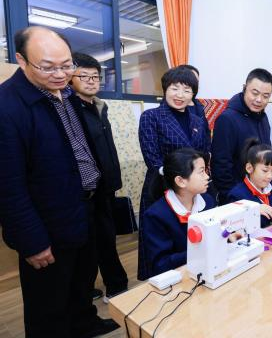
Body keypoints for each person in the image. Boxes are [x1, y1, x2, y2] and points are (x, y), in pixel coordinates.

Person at [0, 26, 118, 338]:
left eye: (66, 65)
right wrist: (31, 242)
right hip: (47, 221)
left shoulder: (66, 93)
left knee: (82, 280)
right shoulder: (8, 106)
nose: (60, 74)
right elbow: (7, 186)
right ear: (21, 60)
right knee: (48, 301)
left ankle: (83, 325)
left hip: (83, 206)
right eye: (48, 67)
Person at [138, 66, 206, 279]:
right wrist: (180, 181)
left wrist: (197, 180)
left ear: (193, 94)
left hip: (192, 192)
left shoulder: (198, 120)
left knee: (193, 241)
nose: (180, 95)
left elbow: (204, 152)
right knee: (161, 249)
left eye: (187, 90)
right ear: (165, 88)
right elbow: (152, 158)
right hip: (161, 188)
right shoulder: (151, 116)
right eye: (175, 88)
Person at [70, 52, 128, 302]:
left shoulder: (99, 106)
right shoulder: (70, 109)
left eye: (95, 76)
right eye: (84, 76)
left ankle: (112, 286)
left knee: (105, 238)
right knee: (90, 241)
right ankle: (104, 287)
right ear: (71, 78)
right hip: (84, 189)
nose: (91, 81)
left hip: (106, 185)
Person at [142, 148, 215, 278]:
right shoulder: (156, 215)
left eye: (206, 171)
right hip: (178, 279)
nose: (207, 176)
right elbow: (160, 265)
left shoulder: (208, 201)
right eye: (201, 172)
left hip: (207, 269)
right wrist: (200, 251)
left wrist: (227, 237)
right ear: (181, 181)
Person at [211, 68, 272, 203]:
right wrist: (233, 198)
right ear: (245, 88)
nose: (259, 100)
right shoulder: (227, 119)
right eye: (254, 93)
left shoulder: (263, 118)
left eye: (265, 96)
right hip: (238, 198)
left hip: (261, 194)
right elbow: (221, 165)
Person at [227, 139, 272, 227]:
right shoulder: (237, 195)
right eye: (265, 171)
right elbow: (234, 224)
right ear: (249, 168)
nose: (270, 176)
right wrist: (254, 210)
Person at [178, 64, 212, 154]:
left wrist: (208, 152)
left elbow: (206, 131)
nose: (195, 84)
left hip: (201, 155)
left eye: (196, 81)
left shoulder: (198, 105)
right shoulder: (175, 105)